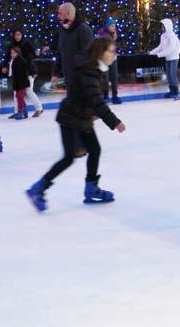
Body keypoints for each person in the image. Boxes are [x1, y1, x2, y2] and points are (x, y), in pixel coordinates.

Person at [26, 36, 125, 212]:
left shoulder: (95, 68)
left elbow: (88, 97)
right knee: (69, 158)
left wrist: (93, 112)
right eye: (111, 51)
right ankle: (38, 188)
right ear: (101, 52)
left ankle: (90, 188)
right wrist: (114, 121)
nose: (113, 54)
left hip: (82, 117)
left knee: (94, 149)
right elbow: (96, 99)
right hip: (71, 118)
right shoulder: (90, 71)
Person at [5, 29, 44, 118]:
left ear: (22, 35)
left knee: (29, 90)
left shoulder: (27, 43)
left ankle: (39, 108)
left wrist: (32, 72)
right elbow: (7, 56)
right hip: (19, 74)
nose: (17, 36)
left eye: (19, 34)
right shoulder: (12, 45)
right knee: (16, 92)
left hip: (29, 72)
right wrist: (4, 66)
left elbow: (34, 55)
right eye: (16, 35)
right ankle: (17, 111)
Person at [56, 2, 94, 88]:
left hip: (82, 80)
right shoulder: (63, 30)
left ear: (68, 13)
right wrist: (55, 73)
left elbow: (88, 55)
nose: (58, 16)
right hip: (69, 78)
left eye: (60, 13)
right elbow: (60, 52)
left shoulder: (83, 29)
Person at [150, 18, 180, 100]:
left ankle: (176, 92)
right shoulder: (163, 36)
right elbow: (160, 47)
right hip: (167, 58)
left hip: (174, 58)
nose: (161, 28)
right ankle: (172, 91)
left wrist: (160, 54)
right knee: (169, 75)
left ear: (167, 26)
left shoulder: (172, 36)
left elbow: (171, 48)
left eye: (163, 26)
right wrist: (152, 52)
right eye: (161, 26)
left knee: (172, 74)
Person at [2, 44, 32, 120]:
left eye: (14, 53)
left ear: (18, 53)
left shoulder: (20, 61)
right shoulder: (13, 61)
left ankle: (21, 112)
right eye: (11, 53)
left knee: (19, 97)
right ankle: (24, 111)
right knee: (19, 97)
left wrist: (20, 83)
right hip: (18, 82)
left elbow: (22, 74)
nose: (12, 54)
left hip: (21, 83)